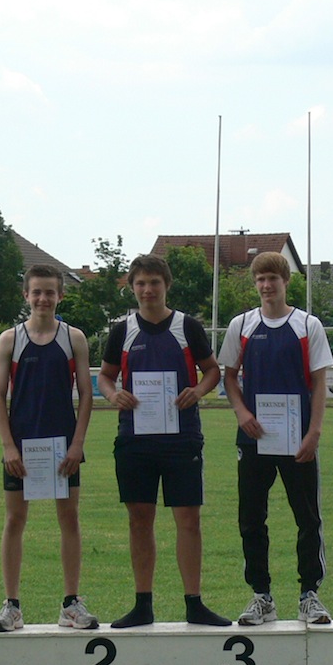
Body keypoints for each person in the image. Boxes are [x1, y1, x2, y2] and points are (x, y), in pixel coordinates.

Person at [97, 253, 230, 628]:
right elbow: (105, 376)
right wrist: (113, 395)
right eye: (140, 283)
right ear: (131, 288)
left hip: (181, 439)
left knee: (188, 520)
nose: (147, 290)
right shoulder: (122, 331)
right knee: (140, 521)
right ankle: (143, 604)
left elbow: (212, 371)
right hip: (135, 440)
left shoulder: (188, 327)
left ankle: (194, 603)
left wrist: (198, 391)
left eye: (154, 282)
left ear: (166, 285)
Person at [219, 252, 333, 626]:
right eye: (260, 279)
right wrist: (242, 413)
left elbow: (319, 383)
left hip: (297, 439)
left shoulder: (307, 325)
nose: (266, 285)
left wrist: (314, 432)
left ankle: (309, 595)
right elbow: (229, 377)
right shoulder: (241, 325)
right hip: (254, 439)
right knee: (251, 519)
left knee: (307, 518)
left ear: (286, 281)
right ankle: (261, 596)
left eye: (273, 278)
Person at [0, 264, 97, 632]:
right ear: (26, 295)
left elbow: (86, 395)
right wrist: (8, 447)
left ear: (60, 295)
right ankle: (12, 606)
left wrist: (77, 444)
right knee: (14, 521)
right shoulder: (10, 340)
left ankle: (71, 604)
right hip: (21, 449)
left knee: (69, 520)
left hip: (63, 448)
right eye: (36, 292)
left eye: (50, 292)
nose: (43, 299)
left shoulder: (74, 338)